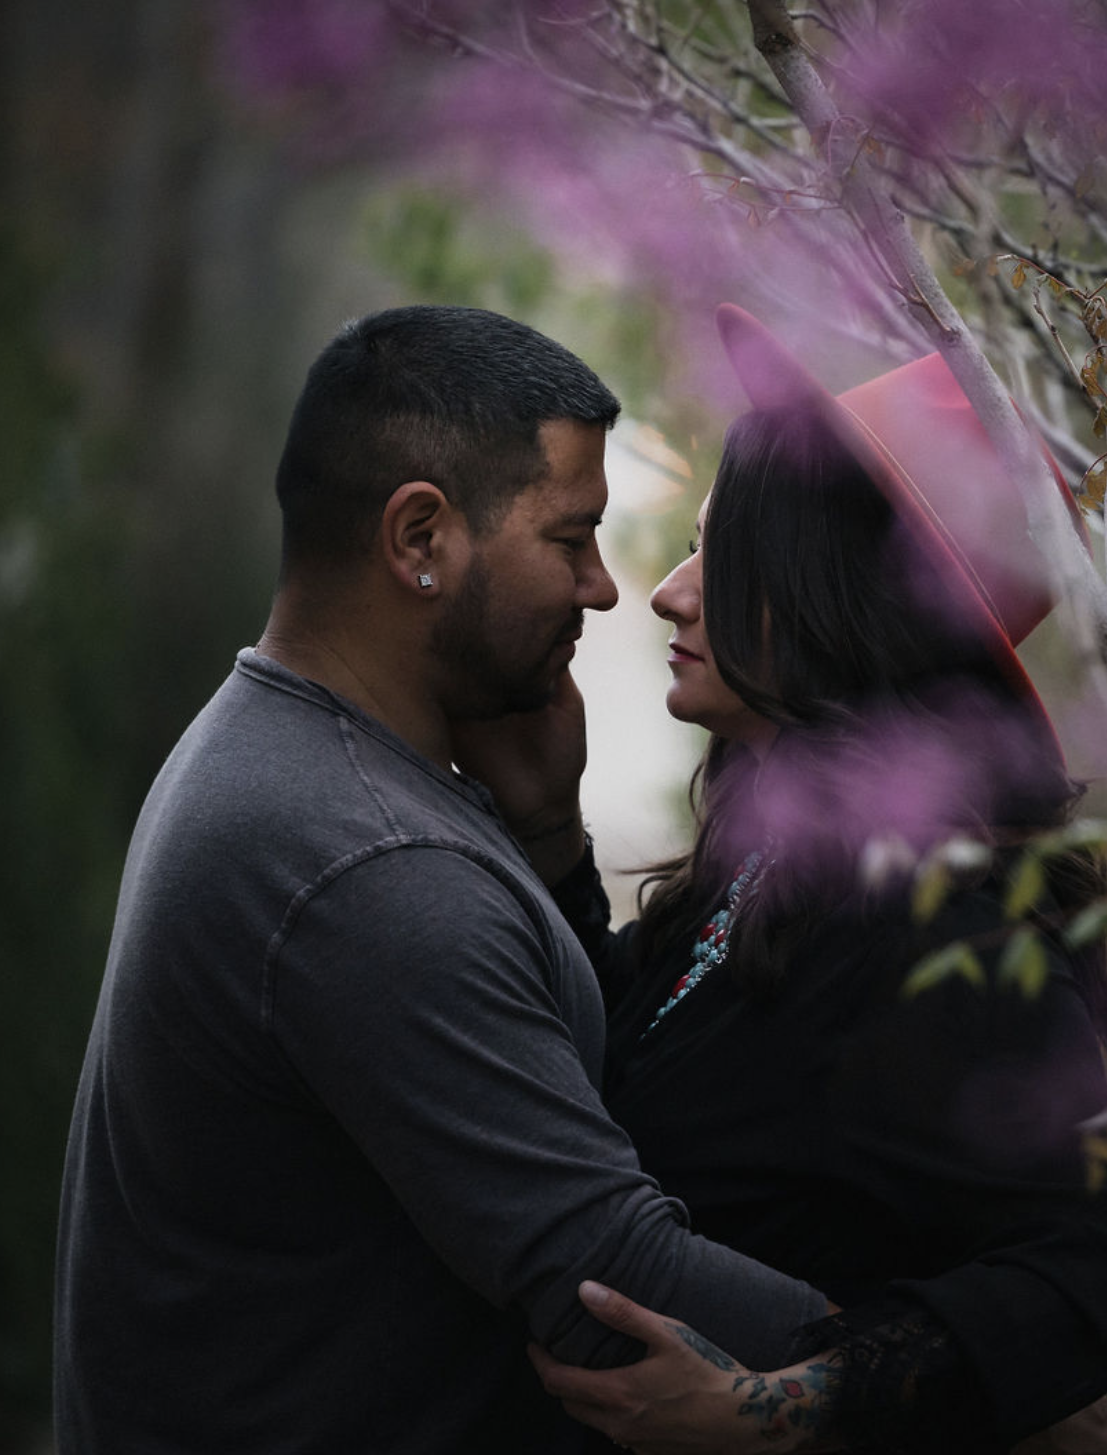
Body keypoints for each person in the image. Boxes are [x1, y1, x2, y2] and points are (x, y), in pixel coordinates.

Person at [52, 306, 846, 1454]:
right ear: (420, 537)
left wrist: (543, 838)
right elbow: (610, 1276)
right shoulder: (363, 864)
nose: (606, 590)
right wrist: (965, 1391)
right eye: (571, 540)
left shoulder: (287, 754)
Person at [510, 304, 1107, 1452]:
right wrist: (549, 828)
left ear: (831, 597)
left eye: (722, 552)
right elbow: (619, 1070)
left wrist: (775, 1410)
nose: (668, 591)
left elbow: (1093, 1276)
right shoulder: (761, 873)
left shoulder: (934, 925)